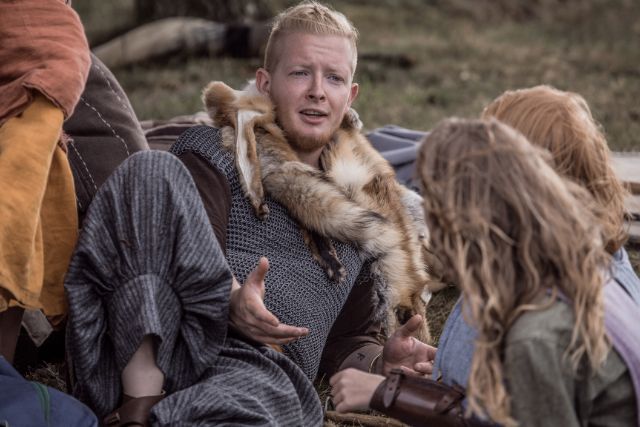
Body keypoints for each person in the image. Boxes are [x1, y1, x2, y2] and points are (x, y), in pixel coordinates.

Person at [64, 1, 435, 425]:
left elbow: (348, 339)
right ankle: (137, 406)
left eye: (333, 77)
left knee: (257, 402)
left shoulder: (366, 215)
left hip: (257, 368)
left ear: (349, 95)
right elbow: (167, 248)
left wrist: (381, 363)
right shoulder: (214, 152)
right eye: (300, 72)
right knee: (150, 168)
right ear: (266, 82)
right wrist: (228, 297)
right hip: (171, 339)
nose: (317, 89)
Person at [330, 118, 639, 427]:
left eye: (432, 211)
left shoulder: (537, 334)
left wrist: (389, 393)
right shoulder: (579, 265)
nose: (427, 233)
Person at [432, 85, 640, 394]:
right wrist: (443, 362)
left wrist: (387, 393)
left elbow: (476, 411)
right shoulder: (610, 262)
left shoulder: (525, 306)